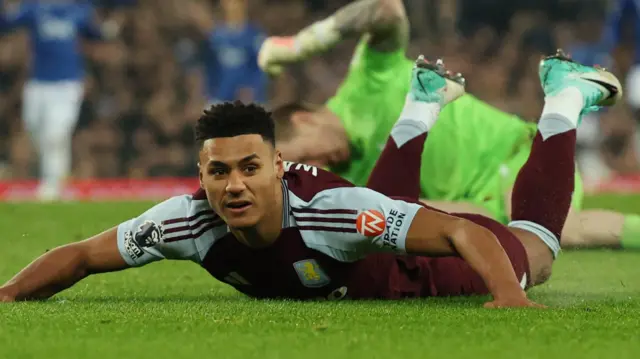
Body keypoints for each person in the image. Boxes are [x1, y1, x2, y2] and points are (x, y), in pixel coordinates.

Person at [0, 51, 621, 307]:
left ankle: (563, 98)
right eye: (219, 172)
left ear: (276, 166)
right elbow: (82, 256)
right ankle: (424, 100)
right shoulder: (185, 221)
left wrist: (510, 296)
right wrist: (5, 297)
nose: (234, 186)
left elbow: (462, 236)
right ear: (201, 175)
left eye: (249, 168)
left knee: (536, 253)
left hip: (426, 265)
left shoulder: (327, 209)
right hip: (374, 242)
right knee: (381, 212)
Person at [258, 0, 640, 250]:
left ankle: (566, 98)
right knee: (525, 242)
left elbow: (384, 9)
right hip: (492, 205)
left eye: (308, 155)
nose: (321, 166)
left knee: (560, 231)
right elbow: (457, 217)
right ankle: (565, 98)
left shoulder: (364, 82)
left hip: (521, 152)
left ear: (303, 118)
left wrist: (301, 45)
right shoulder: (352, 184)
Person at [0, 0, 120, 201]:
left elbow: (96, 33)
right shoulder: (35, 8)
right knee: (33, 129)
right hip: (38, 82)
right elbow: (7, 24)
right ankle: (50, 175)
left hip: (68, 84)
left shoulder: (79, 10)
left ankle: (53, 184)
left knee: (56, 133)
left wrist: (110, 27)